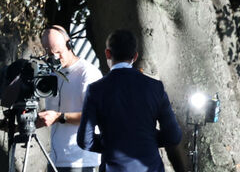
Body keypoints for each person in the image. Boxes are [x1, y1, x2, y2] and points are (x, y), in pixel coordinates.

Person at [76, 29, 182, 172]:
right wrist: (145, 140)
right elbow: (173, 136)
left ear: (108, 53)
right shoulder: (155, 87)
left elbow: (85, 140)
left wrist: (111, 142)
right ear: (135, 56)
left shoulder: (96, 90)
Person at [36, 25, 102, 172]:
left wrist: (60, 117)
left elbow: (94, 115)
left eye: (58, 52)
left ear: (69, 44)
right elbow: (54, 112)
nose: (55, 58)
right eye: (50, 53)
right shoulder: (54, 75)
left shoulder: (88, 73)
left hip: (80, 161)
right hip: (54, 160)